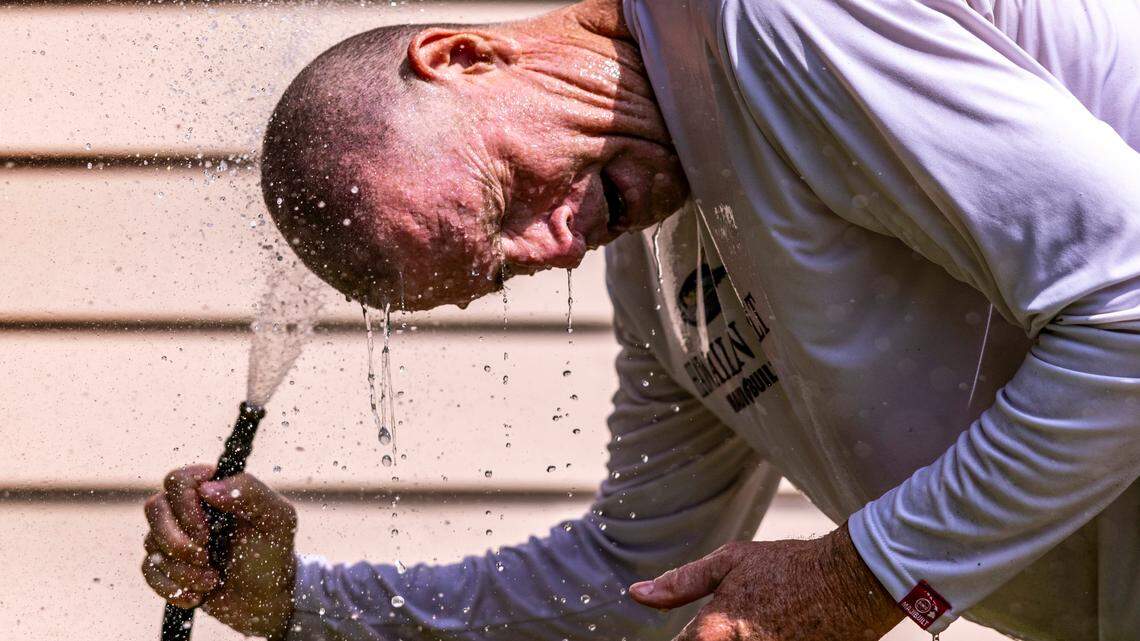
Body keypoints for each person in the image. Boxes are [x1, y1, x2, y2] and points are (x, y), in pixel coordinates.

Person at [142, 0, 1140, 639]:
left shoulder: (766, 22)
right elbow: (634, 576)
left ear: (462, 56)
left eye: (505, 199)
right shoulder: (663, 256)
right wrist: (296, 602)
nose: (559, 245)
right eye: (500, 271)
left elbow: (1129, 301)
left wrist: (864, 571)